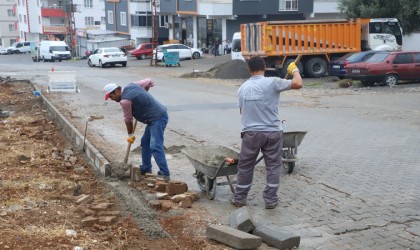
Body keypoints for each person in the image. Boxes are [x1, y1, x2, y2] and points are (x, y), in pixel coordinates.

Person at [232, 56, 302, 209]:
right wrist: (294, 70)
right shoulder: (273, 82)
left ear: (249, 70)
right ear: (264, 67)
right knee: (273, 167)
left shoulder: (242, 88)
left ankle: (240, 199)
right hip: (272, 133)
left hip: (251, 134)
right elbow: (298, 83)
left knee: (245, 167)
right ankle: (270, 200)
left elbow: (242, 111)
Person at [103, 79, 170, 180]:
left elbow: (128, 119)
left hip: (158, 118)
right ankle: (146, 168)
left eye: (111, 96)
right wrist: (143, 93)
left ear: (116, 91)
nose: (112, 99)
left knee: (155, 145)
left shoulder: (125, 101)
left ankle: (165, 173)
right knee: (145, 142)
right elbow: (148, 81)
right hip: (152, 119)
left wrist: (130, 135)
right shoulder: (132, 85)